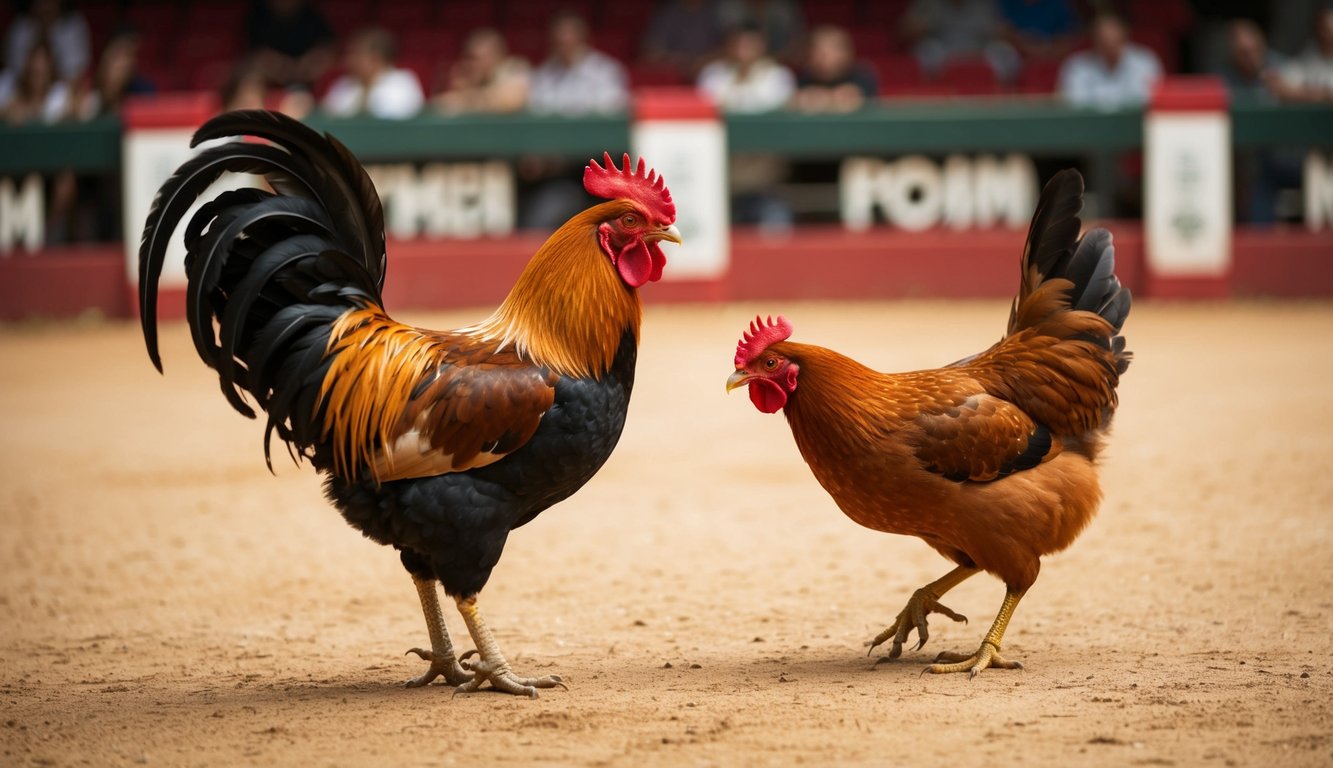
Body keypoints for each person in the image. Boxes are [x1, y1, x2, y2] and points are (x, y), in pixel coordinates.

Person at [527, 11, 628, 115]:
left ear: (582, 37)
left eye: (570, 37)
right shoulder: (544, 74)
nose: (565, 42)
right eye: (560, 41)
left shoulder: (606, 70)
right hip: (554, 130)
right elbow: (538, 109)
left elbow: (611, 109)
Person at [1057, 14, 1162, 109]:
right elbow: (1074, 104)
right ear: (1095, 41)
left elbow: (1148, 101)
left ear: (1125, 37)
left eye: (1115, 41)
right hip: (1089, 127)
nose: (1110, 46)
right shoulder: (1076, 66)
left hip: (1132, 126)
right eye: (1104, 42)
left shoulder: (1145, 62)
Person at [901, 0, 1019, 83]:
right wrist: (919, 25)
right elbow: (904, 32)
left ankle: (1003, 96)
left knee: (1004, 51)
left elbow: (1002, 31)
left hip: (979, 51)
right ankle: (932, 94)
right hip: (944, 53)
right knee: (926, 49)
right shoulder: (930, 3)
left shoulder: (983, 4)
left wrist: (1002, 32)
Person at [321, 28, 424, 119]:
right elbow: (330, 115)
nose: (349, 60)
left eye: (356, 54)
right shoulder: (343, 83)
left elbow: (397, 115)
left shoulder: (403, 81)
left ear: (376, 58)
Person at [697, 23, 795, 112]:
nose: (743, 50)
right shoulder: (712, 73)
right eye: (738, 43)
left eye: (749, 44)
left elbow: (770, 105)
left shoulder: (779, 75)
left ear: (762, 46)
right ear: (729, 45)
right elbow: (708, 103)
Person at [434, 28, 530, 115]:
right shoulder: (470, 76)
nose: (478, 63)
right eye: (472, 58)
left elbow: (511, 101)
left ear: (499, 54)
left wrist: (465, 99)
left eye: (484, 57)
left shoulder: (514, 67)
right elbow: (444, 104)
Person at [245, 0, 334, 91]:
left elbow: (327, 48)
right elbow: (253, 56)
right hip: (269, 87)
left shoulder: (312, 16)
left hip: (311, 85)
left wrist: (314, 61)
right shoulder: (257, 18)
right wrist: (277, 66)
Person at [789, 25, 877, 113]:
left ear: (845, 54)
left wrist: (819, 98)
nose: (821, 57)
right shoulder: (804, 76)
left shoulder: (862, 74)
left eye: (827, 53)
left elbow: (852, 96)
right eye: (817, 51)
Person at [2, 0, 89, 86]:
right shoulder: (20, 27)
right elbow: (13, 70)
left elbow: (75, 73)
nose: (45, 5)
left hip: (61, 89)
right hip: (23, 89)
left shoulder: (72, 26)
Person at [74, 29, 156, 120]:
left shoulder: (143, 90)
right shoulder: (92, 93)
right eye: (116, 57)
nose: (120, 65)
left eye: (126, 56)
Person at [640, 0, 726, 79]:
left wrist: (703, 61)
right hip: (673, 72)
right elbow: (652, 53)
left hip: (709, 69)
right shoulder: (669, 13)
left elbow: (729, 48)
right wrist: (682, 63)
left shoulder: (717, 11)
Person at [1272, 6, 1333, 103]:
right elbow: (1283, 92)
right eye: (1325, 29)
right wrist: (1325, 95)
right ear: (1320, 29)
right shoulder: (1304, 59)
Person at [717, 0, 805, 63]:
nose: (747, 47)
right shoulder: (730, 6)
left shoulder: (782, 7)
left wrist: (771, 61)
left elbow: (797, 42)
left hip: (780, 59)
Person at [997, 0, 1080, 62]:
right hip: (1017, 59)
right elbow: (1002, 33)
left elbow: (1067, 41)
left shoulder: (1058, 4)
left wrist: (1039, 49)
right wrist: (1025, 45)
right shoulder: (1008, 3)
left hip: (1049, 58)